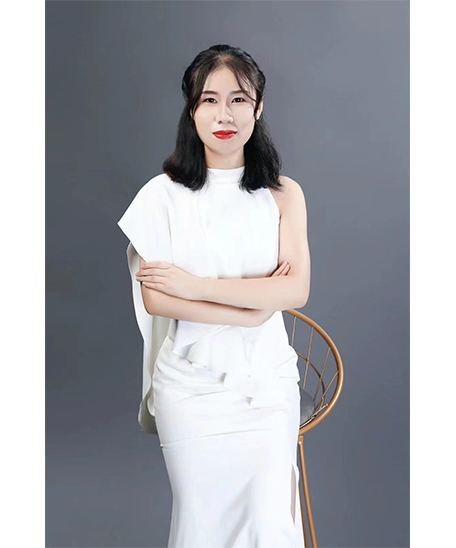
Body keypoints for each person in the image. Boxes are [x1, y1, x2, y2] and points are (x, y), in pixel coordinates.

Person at [117, 44, 311, 548]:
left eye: (238, 100)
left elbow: (296, 289)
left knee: (268, 523)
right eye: (209, 100)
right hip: (190, 385)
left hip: (265, 382)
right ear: (192, 109)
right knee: (200, 525)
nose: (224, 115)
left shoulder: (282, 193)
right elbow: (158, 301)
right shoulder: (160, 195)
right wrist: (254, 306)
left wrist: (194, 286)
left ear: (258, 108)